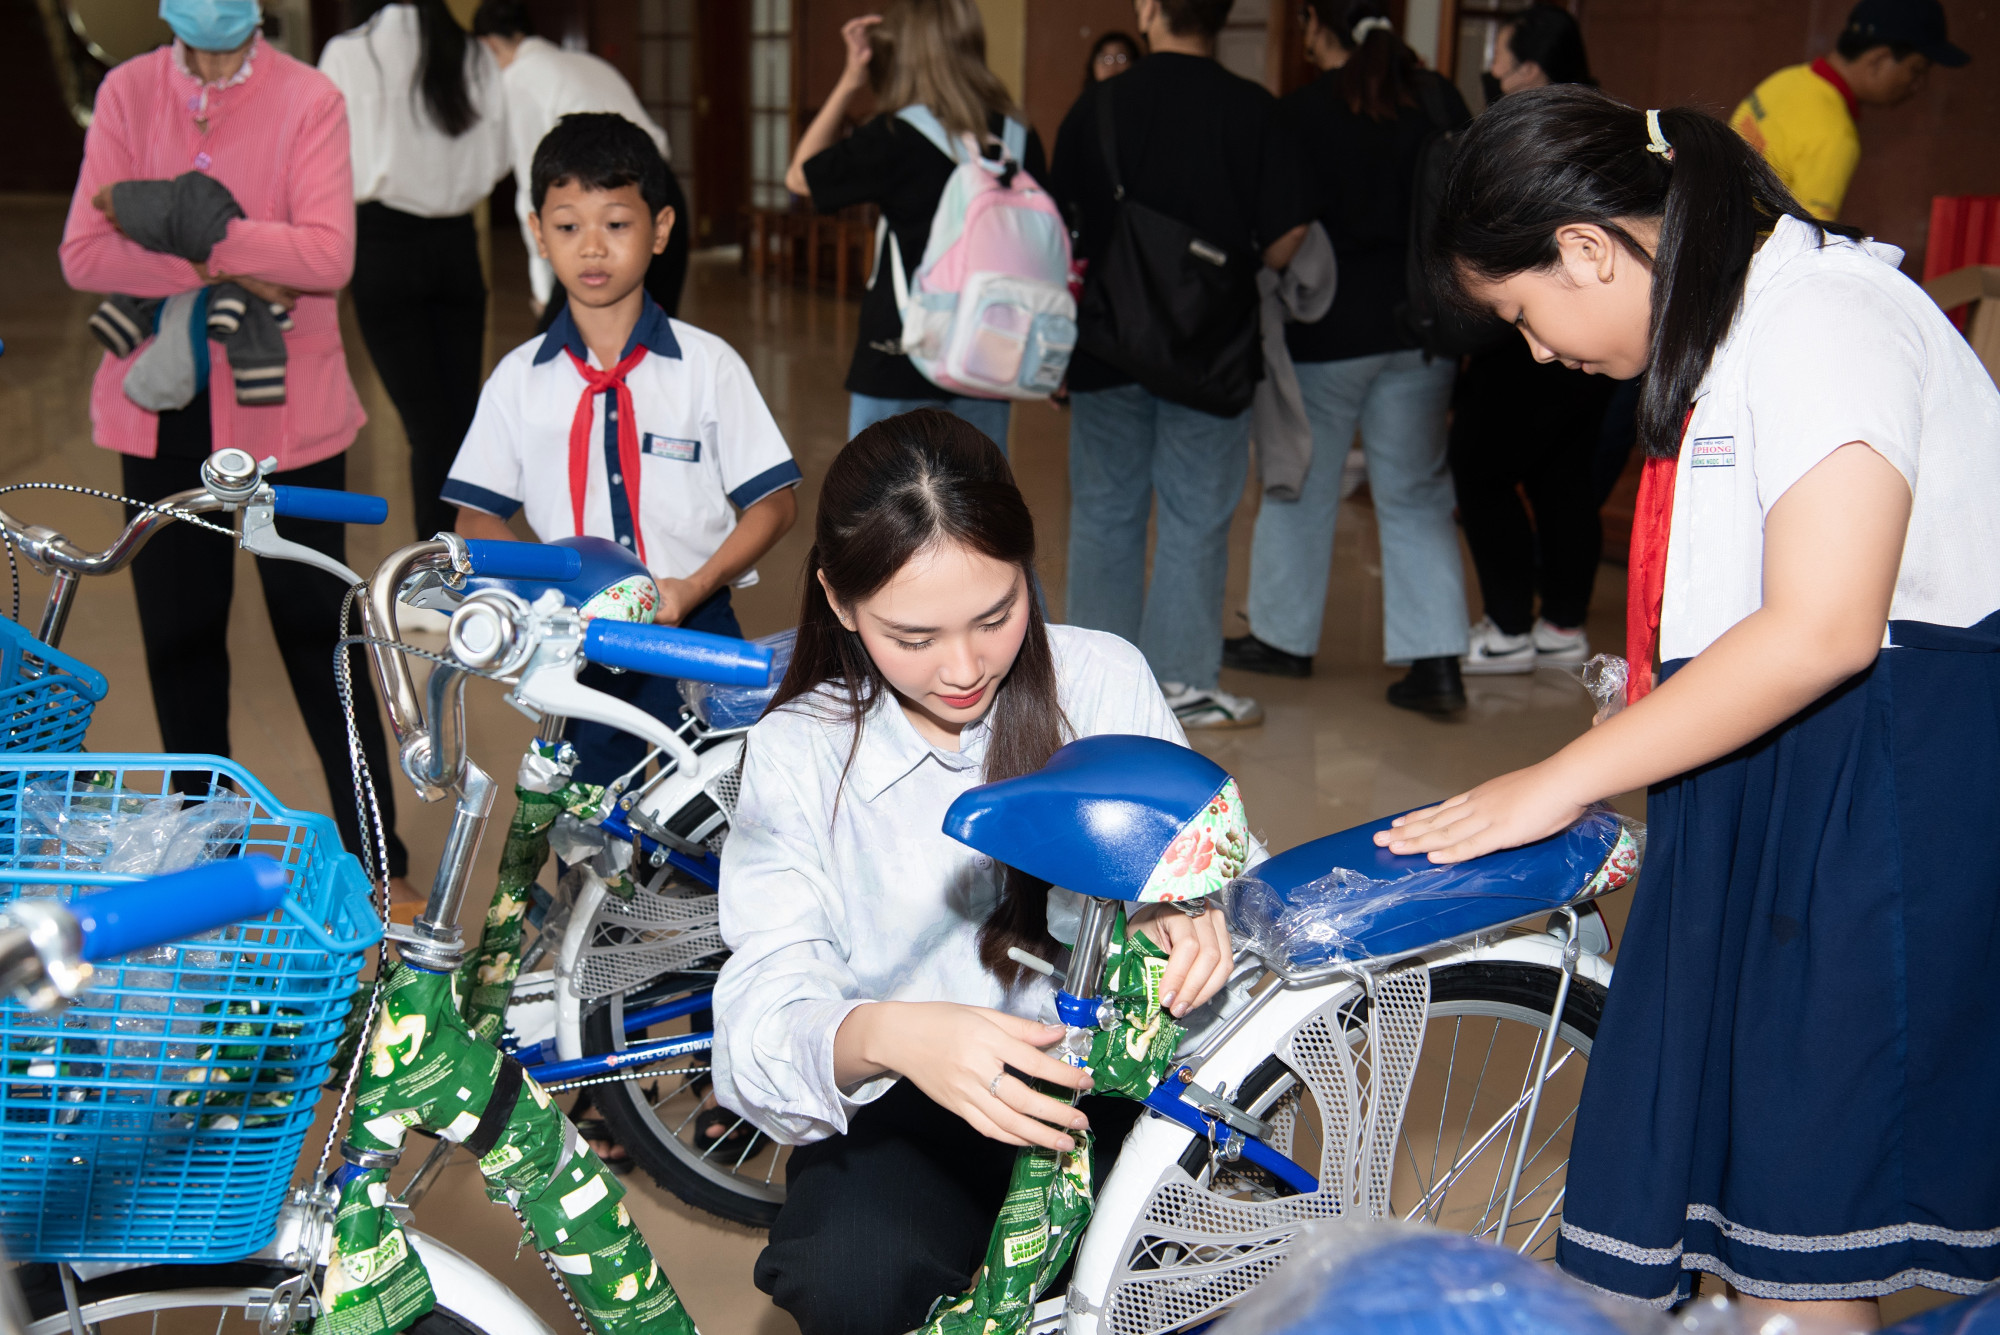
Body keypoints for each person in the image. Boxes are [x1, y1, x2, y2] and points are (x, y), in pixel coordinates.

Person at [1392, 86, 2000, 1321]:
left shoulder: (1825, 315)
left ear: (1584, 248)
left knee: (1819, 1207)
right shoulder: (1740, 325)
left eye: (1520, 315)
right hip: (1787, 782)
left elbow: (1822, 626)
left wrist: (1560, 775)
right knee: (1771, 1199)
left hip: (1885, 788)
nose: (1536, 351)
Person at [711, 410, 1241, 1335]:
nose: (963, 666)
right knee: (848, 1271)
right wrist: (886, 1032)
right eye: (912, 636)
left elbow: (1234, 874)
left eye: (996, 614)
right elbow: (759, 1019)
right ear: (839, 601)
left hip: (1111, 1091)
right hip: (912, 1106)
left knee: (1190, 1278)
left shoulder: (1102, 682)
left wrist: (1193, 905)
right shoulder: (797, 752)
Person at [58, 0, 409, 892]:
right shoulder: (128, 91)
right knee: (180, 638)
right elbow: (83, 256)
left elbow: (328, 257)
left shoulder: (309, 98)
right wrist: (241, 256)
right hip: (160, 415)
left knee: (317, 637)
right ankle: (202, 866)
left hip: (285, 420)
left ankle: (380, 859)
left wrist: (173, 223)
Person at [443, 114, 800, 786]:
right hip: (577, 646)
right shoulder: (519, 379)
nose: (593, 248)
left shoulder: (707, 365)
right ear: (537, 235)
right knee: (583, 822)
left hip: (697, 626)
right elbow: (474, 519)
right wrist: (551, 584)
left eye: (616, 223)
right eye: (568, 226)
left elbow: (775, 505)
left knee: (714, 812)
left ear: (660, 229)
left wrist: (693, 584)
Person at [1051, 0, 1310, 731]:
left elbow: (1057, 223)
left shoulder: (1097, 106)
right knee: (1197, 517)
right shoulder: (1255, 110)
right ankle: (1183, 684)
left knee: (1105, 513)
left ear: (1149, 8)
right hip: (1213, 348)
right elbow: (1289, 237)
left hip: (1106, 344)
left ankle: (1097, 691)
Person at [1218, 0, 1473, 715]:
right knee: (1417, 496)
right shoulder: (1431, 100)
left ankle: (1282, 639)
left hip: (1325, 333)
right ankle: (1437, 663)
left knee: (1299, 482)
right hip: (1421, 331)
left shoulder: (1299, 114)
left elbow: (1282, 231)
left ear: (1313, 26)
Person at [785, 0, 1046, 450]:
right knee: (976, 509)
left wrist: (851, 79)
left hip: (900, 350)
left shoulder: (894, 136)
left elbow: (799, 177)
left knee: (882, 509)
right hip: (988, 352)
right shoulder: (1019, 138)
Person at [1449, 5, 1621, 677]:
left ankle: (1511, 623)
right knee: (1565, 478)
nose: (1491, 68)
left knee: (1481, 468)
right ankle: (1562, 623)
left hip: (1526, 334)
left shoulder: (1536, 132)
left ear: (1533, 67)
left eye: (1502, 55)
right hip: (1596, 338)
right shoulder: (1604, 119)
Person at [320, 0, 508, 541]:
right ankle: (459, 559)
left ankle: (434, 571)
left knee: (427, 427)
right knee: (456, 420)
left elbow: (330, 158)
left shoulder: (347, 52)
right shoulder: (472, 52)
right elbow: (495, 159)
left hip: (382, 245)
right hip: (455, 244)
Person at [470, 0, 691, 321]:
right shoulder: (585, 62)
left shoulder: (519, 78)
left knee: (561, 352)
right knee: (655, 335)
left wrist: (543, 290)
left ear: (486, 45)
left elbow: (533, 188)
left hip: (598, 201)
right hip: (659, 193)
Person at [1730, 0, 1968, 221]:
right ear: (1878, 59)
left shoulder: (1785, 79)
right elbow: (1808, 245)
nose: (1918, 86)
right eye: (1916, 70)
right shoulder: (1835, 137)